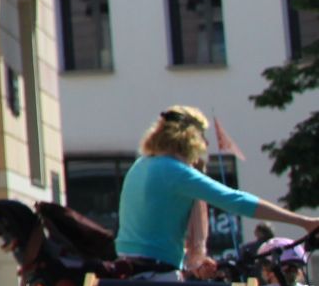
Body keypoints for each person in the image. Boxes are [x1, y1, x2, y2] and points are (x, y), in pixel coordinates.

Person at [119, 106, 317, 273]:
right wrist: (303, 222)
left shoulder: (141, 165)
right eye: (202, 136)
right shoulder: (175, 171)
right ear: (189, 138)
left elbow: (153, 225)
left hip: (128, 267)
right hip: (158, 272)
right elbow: (236, 201)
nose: (206, 144)